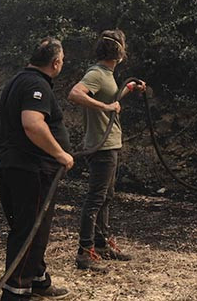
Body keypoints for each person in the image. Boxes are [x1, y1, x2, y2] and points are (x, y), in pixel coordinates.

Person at [0, 37, 73, 300]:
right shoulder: (35, 84)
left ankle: (38, 280)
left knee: (34, 228)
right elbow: (32, 124)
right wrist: (60, 154)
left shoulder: (18, 80)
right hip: (30, 169)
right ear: (56, 62)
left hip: (14, 166)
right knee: (30, 231)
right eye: (62, 60)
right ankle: (16, 291)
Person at [67, 29, 145, 271]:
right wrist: (105, 106)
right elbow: (75, 94)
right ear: (119, 52)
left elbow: (111, 99)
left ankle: (101, 245)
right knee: (95, 198)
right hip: (101, 145)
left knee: (105, 196)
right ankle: (84, 253)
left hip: (108, 143)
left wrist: (128, 89)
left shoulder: (107, 75)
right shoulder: (97, 74)